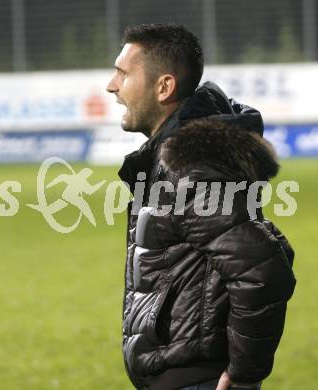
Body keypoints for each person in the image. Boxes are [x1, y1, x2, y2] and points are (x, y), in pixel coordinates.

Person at [106, 23, 296, 390]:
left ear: (164, 87)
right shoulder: (176, 158)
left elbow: (262, 271)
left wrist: (244, 374)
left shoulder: (190, 168)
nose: (112, 85)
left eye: (123, 73)